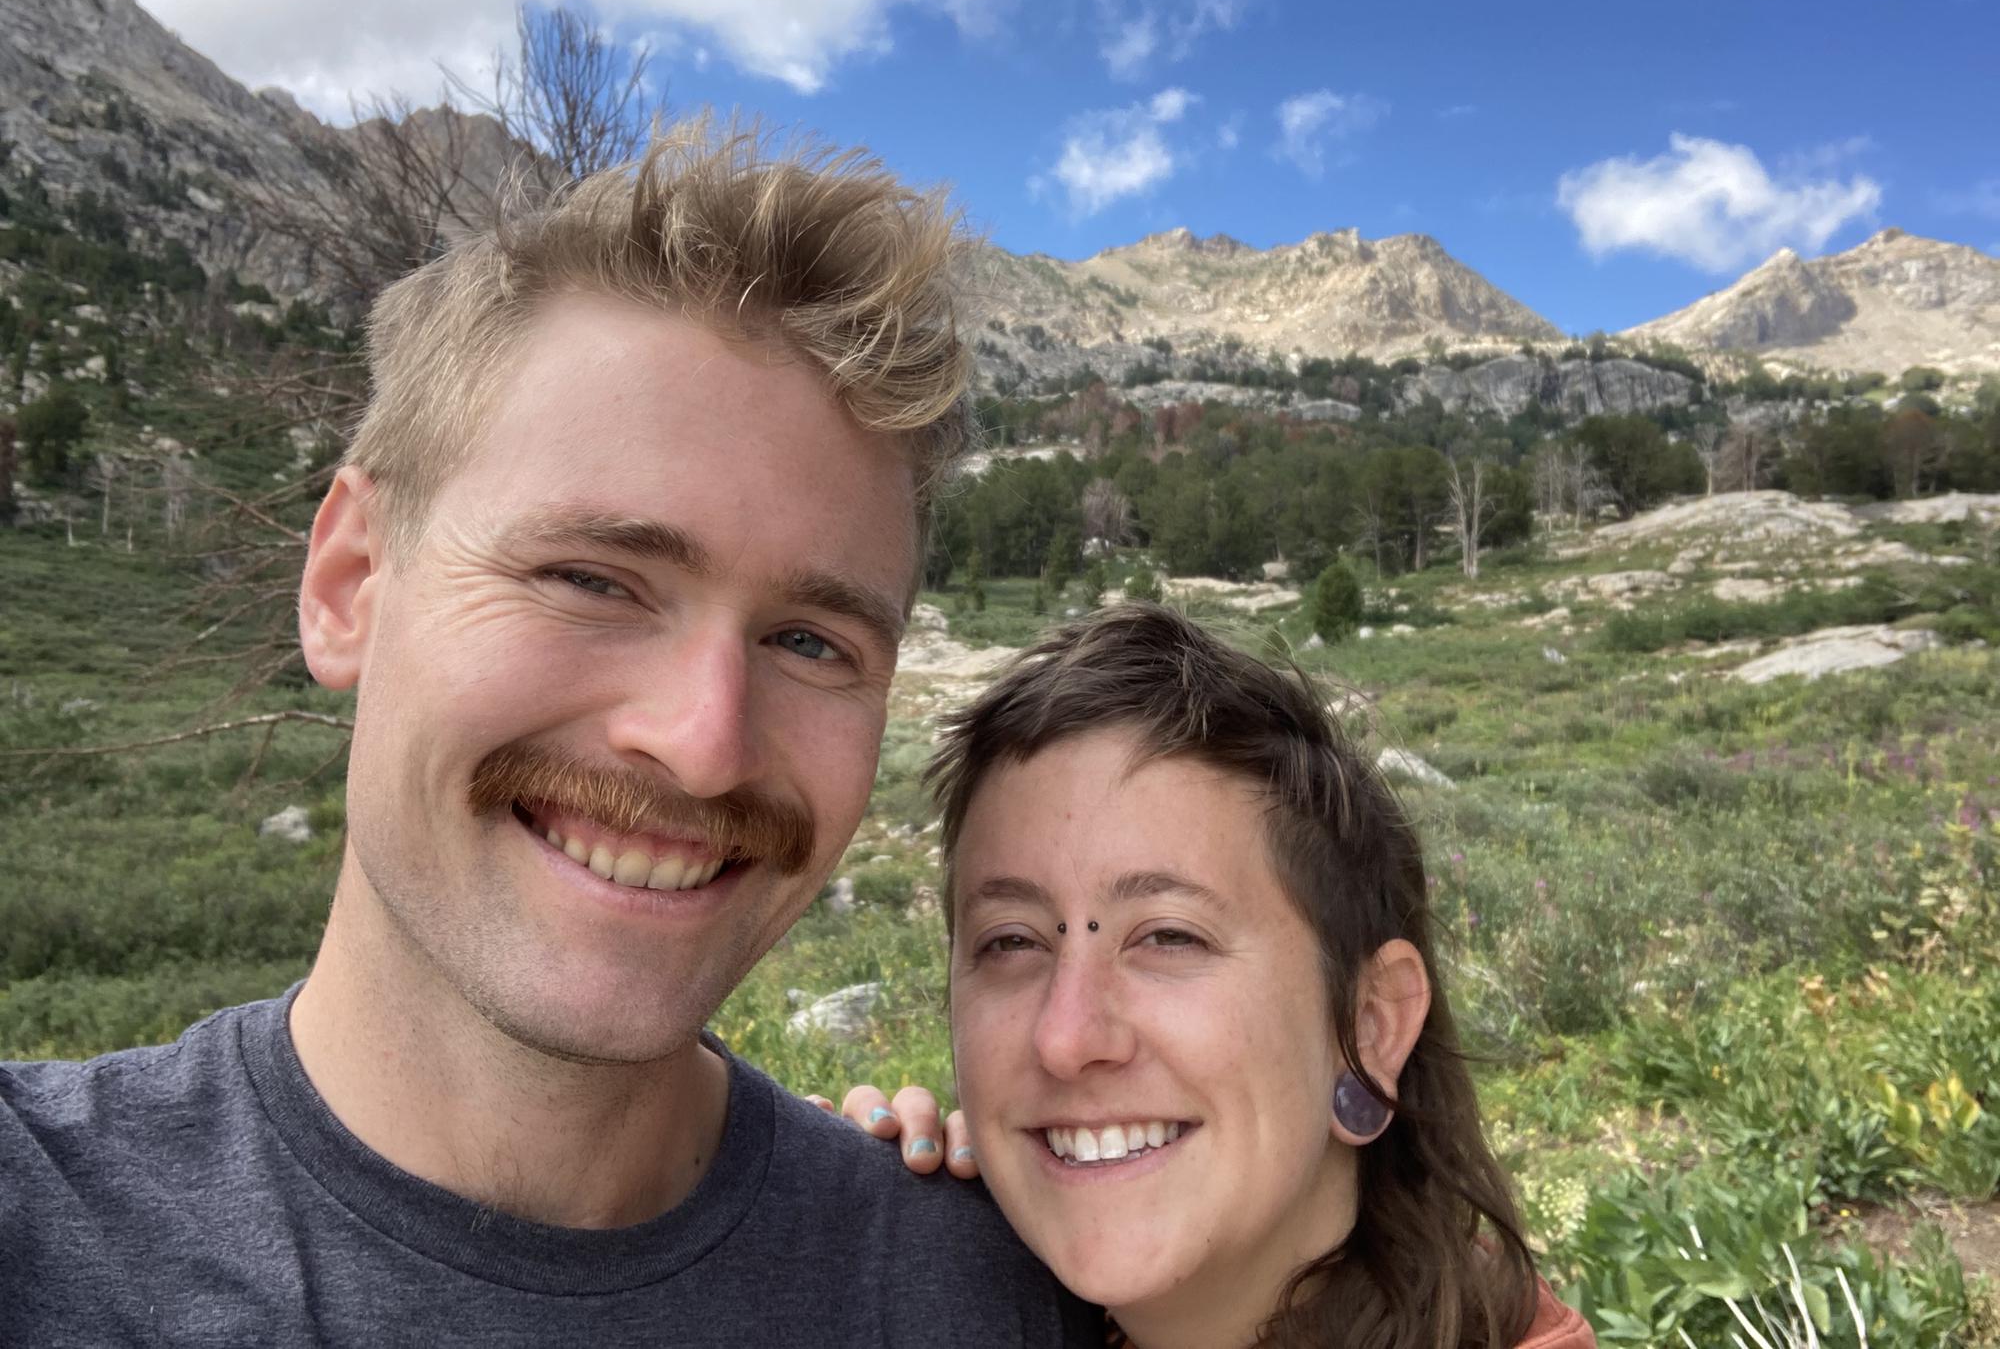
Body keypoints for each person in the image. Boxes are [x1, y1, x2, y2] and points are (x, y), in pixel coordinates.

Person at [0, 122, 1096, 1345]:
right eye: (592, 579)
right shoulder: (39, 1231)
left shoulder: (985, 1292)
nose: (702, 743)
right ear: (352, 581)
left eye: (808, 642)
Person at [831, 604, 1595, 1349]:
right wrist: (816, 1228)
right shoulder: (981, 1300)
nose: (1066, 1039)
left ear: (1371, 1024)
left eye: (1168, 936)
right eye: (1012, 944)